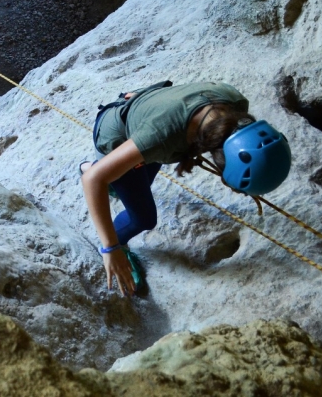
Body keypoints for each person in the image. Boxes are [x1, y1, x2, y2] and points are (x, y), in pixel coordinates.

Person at [79, 81, 291, 297]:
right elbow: (92, 180)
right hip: (115, 132)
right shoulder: (161, 138)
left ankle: (113, 174)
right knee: (143, 218)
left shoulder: (234, 103)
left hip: (146, 119)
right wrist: (110, 248)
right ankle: (107, 177)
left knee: (139, 181)